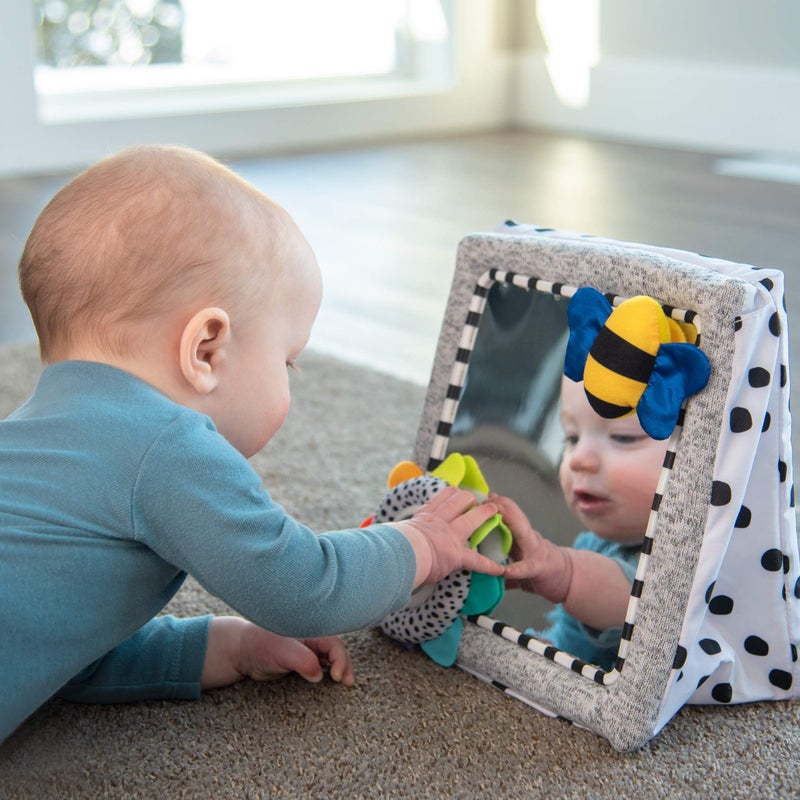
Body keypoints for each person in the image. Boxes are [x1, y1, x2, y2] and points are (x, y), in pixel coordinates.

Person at [0, 145, 503, 743]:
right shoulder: (166, 443)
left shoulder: (34, 444)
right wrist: (420, 543)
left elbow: (52, 647)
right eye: (287, 361)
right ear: (207, 349)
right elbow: (306, 586)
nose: (289, 377)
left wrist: (230, 644)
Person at [492, 375, 669, 670]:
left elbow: (638, 608)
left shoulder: (680, 566)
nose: (578, 459)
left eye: (623, 436)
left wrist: (567, 572)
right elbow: (574, 634)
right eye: (572, 438)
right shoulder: (592, 544)